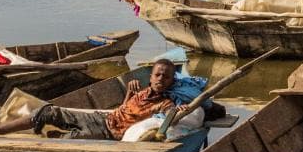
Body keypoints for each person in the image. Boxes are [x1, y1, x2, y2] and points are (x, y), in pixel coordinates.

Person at [29, 58, 188, 140]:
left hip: (107, 133)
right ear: (151, 77)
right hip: (101, 117)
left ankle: (51, 136)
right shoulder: (142, 92)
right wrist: (129, 94)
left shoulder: (165, 103)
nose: (160, 79)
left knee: (69, 139)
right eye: (157, 75)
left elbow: (169, 118)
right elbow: (123, 109)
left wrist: (177, 112)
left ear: (172, 81)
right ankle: (2, 130)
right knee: (49, 112)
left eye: (166, 77)